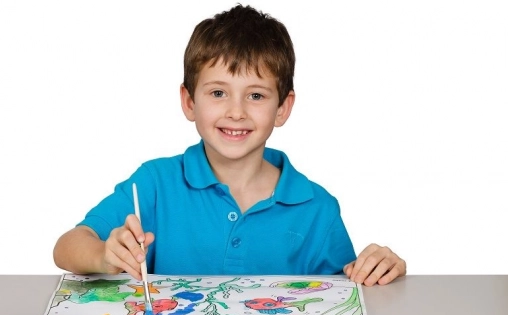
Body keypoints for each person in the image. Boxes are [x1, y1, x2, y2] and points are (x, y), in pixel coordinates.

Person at [53, 4, 406, 286]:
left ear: (282, 108)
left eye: (255, 95)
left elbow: (347, 295)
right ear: (189, 102)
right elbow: (67, 246)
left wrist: (379, 269)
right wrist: (103, 255)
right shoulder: (155, 183)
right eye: (218, 93)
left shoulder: (317, 208)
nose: (236, 112)